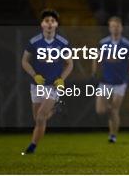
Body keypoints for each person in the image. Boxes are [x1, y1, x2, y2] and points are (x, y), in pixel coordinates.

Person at [21, 9, 73, 154]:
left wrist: (61, 79)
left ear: (56, 25)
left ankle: (32, 147)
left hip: (53, 85)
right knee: (38, 118)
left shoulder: (63, 43)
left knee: (41, 116)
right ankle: (56, 108)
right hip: (37, 84)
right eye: (47, 21)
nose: (50, 24)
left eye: (52, 21)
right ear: (42, 24)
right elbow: (24, 61)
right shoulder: (34, 42)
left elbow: (70, 64)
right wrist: (34, 75)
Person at [92, 16, 129, 143]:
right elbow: (96, 58)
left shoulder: (127, 44)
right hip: (105, 81)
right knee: (101, 110)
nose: (115, 29)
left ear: (121, 28)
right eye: (113, 26)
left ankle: (113, 135)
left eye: (117, 26)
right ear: (109, 28)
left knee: (114, 108)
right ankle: (111, 124)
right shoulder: (103, 43)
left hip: (120, 82)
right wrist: (95, 72)